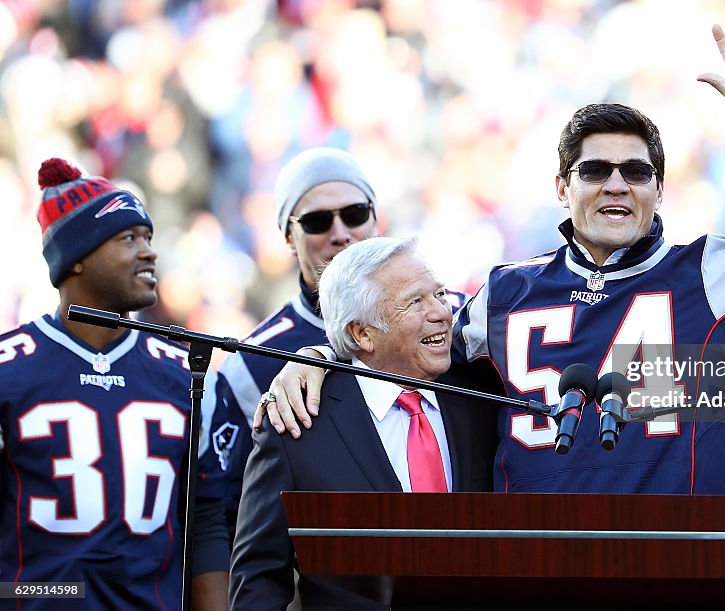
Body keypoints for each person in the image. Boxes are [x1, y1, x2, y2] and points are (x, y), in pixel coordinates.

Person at [258, 9, 725, 495]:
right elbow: (396, 357)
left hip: (683, 575)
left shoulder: (718, 273)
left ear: (658, 190)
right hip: (536, 577)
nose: (615, 183)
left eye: (636, 171)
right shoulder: (504, 293)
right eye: (595, 170)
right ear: (562, 187)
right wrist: (319, 353)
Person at [0, 159, 228, 610]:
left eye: (148, 237)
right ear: (77, 259)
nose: (149, 252)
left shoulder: (184, 373)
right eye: (128, 238)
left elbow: (204, 521)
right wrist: (51, 595)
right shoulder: (9, 368)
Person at [229, 237, 497, 610]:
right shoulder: (297, 422)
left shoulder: (481, 396)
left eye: (439, 294)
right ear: (361, 334)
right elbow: (258, 579)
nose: (441, 312)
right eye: (415, 302)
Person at [200, 147, 380, 533]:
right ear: (288, 236)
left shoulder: (445, 317)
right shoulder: (248, 363)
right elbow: (218, 512)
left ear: (376, 219)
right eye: (316, 222)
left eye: (355, 214)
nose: (340, 234)